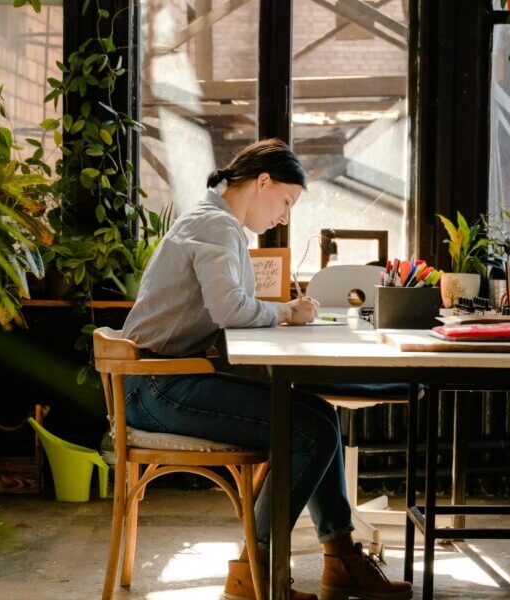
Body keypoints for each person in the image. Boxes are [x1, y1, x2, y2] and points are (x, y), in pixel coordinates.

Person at [121, 139, 413, 600]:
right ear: (262, 182)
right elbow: (230, 309)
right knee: (311, 432)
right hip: (158, 388)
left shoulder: (213, 220)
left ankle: (340, 557)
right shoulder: (218, 226)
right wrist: (286, 313)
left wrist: (281, 311)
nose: (283, 216)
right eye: (286, 201)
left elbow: (229, 307)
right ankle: (255, 572)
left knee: (322, 416)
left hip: (162, 381)